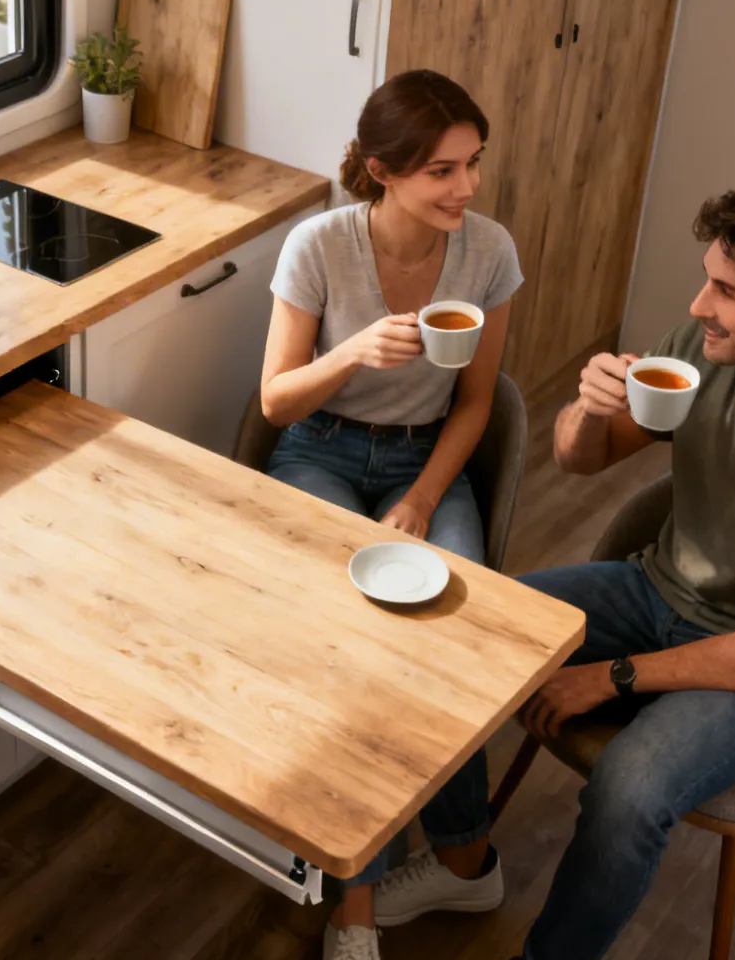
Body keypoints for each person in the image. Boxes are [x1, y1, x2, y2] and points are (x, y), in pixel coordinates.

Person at [369, 183, 735, 960]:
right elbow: (582, 460)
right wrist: (588, 409)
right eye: (706, 280)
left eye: (726, 291)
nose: (699, 306)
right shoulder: (706, 351)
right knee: (459, 631)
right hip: (654, 589)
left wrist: (610, 678)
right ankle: (464, 862)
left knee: (629, 790)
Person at [257, 69, 523, 960]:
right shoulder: (319, 246)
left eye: (473, 163)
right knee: (358, 645)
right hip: (319, 451)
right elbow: (275, 403)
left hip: (426, 460)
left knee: (455, 639)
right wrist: (354, 354)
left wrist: (420, 497)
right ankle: (357, 907)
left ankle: (464, 856)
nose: (466, 187)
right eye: (443, 170)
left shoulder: (489, 254)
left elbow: (477, 404)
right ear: (382, 170)